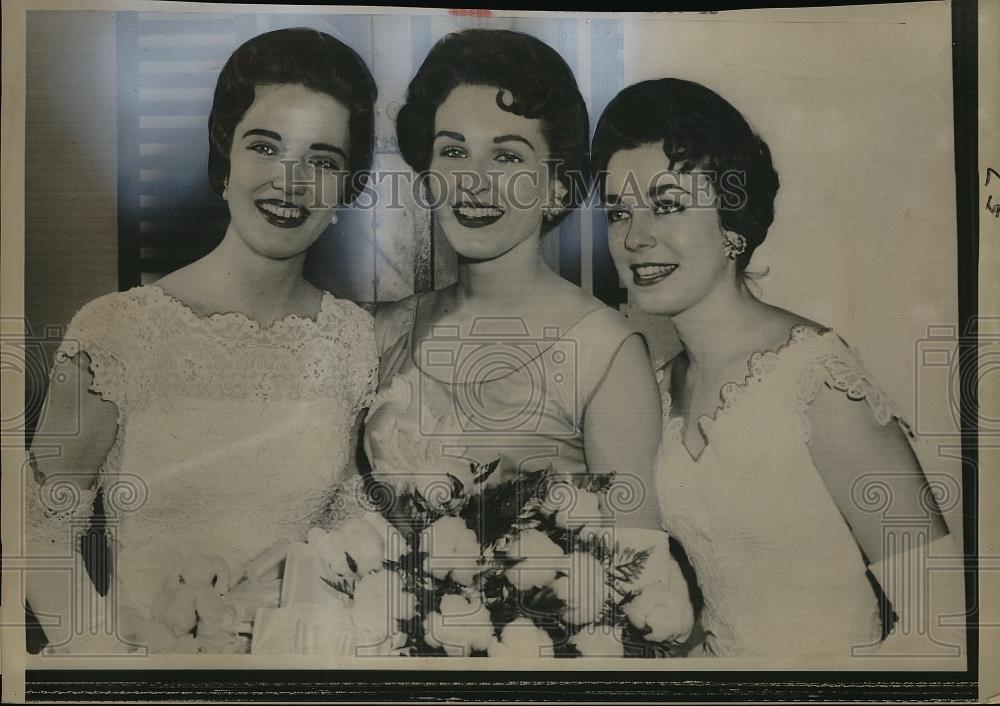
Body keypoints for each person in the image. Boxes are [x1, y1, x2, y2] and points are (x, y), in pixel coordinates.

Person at [24, 28, 379, 654]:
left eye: (322, 160)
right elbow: (36, 536)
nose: (290, 183)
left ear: (345, 190)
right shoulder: (114, 331)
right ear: (226, 162)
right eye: (266, 147)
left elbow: (347, 540)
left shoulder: (353, 340)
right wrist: (113, 672)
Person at [591, 77, 963, 658]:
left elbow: (946, 622)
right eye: (617, 213)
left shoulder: (816, 379)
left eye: (666, 205)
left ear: (732, 224)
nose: (635, 238)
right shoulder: (658, 388)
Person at [363, 28, 665, 598]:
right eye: (453, 151)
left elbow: (643, 582)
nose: (473, 182)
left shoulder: (607, 353)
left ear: (556, 187)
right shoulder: (388, 331)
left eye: (506, 155)